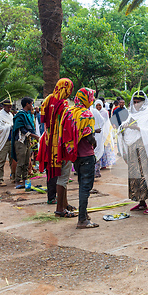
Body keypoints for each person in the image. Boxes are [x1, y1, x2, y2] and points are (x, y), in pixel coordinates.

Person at [60, 88, 99, 229]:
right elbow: (89, 137)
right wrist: (94, 141)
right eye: (91, 97)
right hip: (87, 155)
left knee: (81, 183)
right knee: (85, 188)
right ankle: (82, 220)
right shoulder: (86, 114)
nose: (92, 100)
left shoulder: (69, 112)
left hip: (75, 155)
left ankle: (84, 214)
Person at [37, 78, 75, 212]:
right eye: (69, 89)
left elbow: (43, 120)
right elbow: (66, 125)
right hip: (60, 143)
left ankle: (59, 201)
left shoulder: (47, 99)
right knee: (63, 175)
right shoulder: (64, 104)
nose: (70, 92)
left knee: (52, 172)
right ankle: (61, 206)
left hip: (48, 141)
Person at [118, 90, 148, 215]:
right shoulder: (131, 114)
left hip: (145, 148)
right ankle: (141, 202)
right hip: (133, 149)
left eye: (138, 102)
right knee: (135, 176)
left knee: (147, 175)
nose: (136, 105)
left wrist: (138, 128)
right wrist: (123, 127)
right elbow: (125, 127)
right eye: (134, 102)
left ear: (144, 102)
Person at [11, 97, 39, 185]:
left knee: (27, 161)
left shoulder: (28, 114)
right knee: (21, 162)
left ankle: (25, 179)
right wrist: (35, 136)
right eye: (31, 104)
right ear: (27, 104)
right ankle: (17, 180)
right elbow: (22, 129)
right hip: (20, 141)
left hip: (27, 141)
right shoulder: (20, 115)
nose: (32, 106)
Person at [0, 99, 14, 186]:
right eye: (8, 107)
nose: (10, 108)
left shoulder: (10, 115)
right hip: (3, 140)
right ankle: (0, 179)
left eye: (10, 107)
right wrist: (9, 126)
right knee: (1, 160)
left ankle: (13, 177)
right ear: (4, 106)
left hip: (11, 140)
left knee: (12, 160)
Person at [93, 99, 115, 176]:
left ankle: (102, 166)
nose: (98, 107)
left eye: (100, 105)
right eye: (97, 105)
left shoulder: (104, 112)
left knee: (102, 148)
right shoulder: (93, 112)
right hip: (95, 133)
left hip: (103, 131)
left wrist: (104, 132)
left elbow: (105, 123)